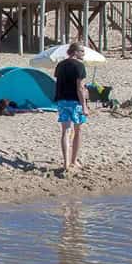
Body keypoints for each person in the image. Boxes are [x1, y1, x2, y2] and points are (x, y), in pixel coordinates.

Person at [53, 43, 89, 174]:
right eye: (82, 51)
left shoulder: (60, 65)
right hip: (75, 102)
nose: (83, 54)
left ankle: (66, 163)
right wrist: (84, 105)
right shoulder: (79, 66)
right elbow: (79, 87)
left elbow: (58, 82)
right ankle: (73, 161)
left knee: (66, 131)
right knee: (78, 130)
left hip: (62, 100)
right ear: (75, 52)